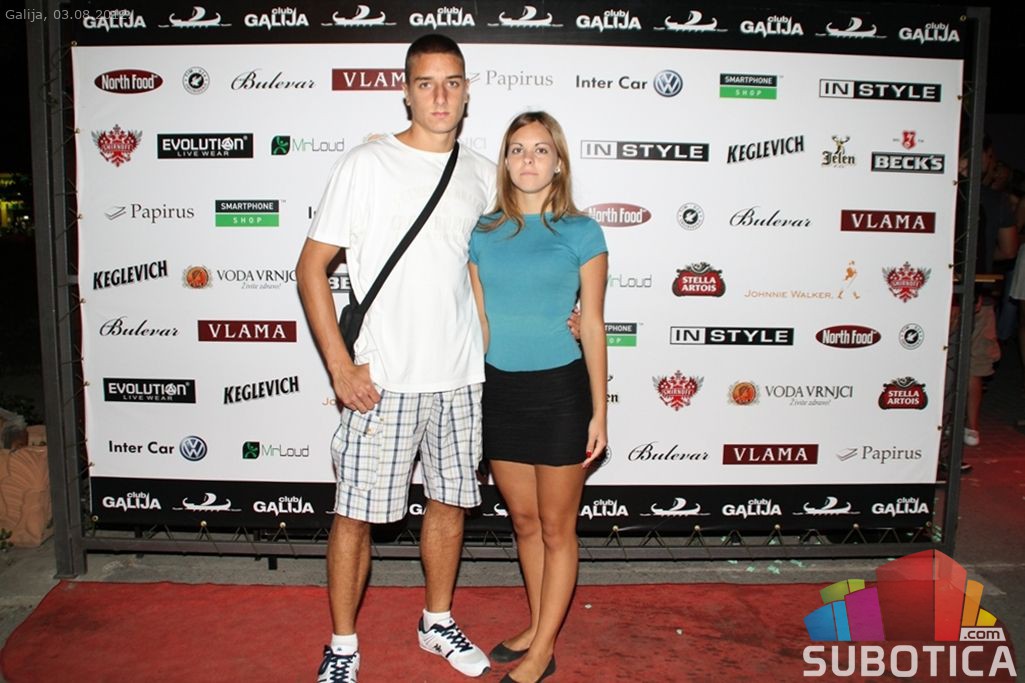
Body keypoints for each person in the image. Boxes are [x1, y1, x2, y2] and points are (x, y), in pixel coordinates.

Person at [296, 34, 496, 682]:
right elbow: (311, 268)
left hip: (460, 377)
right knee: (354, 516)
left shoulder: (482, 172)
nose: (440, 96)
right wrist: (339, 366)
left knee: (449, 503)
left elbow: (491, 267)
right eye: (426, 83)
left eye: (451, 82)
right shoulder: (366, 164)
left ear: (466, 91)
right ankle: (342, 645)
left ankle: (436, 620)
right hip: (382, 379)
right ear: (405, 91)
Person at [468, 112, 609, 683]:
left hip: (560, 394)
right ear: (504, 162)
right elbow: (478, 322)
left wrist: (601, 411)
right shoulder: (481, 232)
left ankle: (543, 647)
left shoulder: (583, 232)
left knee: (556, 528)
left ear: (559, 162)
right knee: (524, 522)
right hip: (499, 391)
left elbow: (592, 323)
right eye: (517, 149)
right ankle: (536, 625)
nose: (528, 160)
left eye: (541, 149)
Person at [962, 136, 1019, 448]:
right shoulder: (997, 201)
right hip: (979, 290)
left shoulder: (937, 196)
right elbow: (1009, 249)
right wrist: (982, 259)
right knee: (974, 365)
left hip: (943, 292)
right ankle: (970, 428)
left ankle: (941, 429)